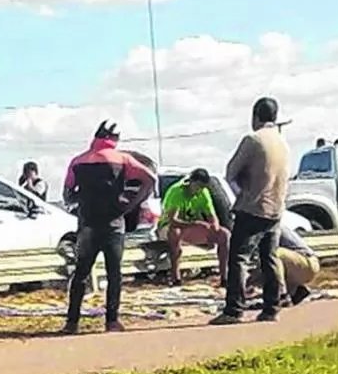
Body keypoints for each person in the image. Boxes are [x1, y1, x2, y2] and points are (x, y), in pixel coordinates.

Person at [61, 120, 157, 334]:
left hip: (87, 224)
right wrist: (132, 202)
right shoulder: (123, 159)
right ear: (115, 140)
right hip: (114, 223)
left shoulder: (77, 161)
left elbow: (67, 194)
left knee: (81, 273)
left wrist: (82, 199)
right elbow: (149, 178)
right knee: (114, 274)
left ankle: (72, 322)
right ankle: (112, 321)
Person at [212, 97, 290, 325]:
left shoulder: (253, 140)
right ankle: (271, 308)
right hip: (276, 208)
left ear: (255, 116)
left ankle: (234, 310)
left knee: (238, 258)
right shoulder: (283, 143)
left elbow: (231, 172)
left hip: (253, 207)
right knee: (270, 258)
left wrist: (242, 194)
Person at [156, 168, 230, 287]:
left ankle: (224, 277)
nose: (199, 190)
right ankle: (176, 277)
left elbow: (212, 216)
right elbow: (172, 220)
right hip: (169, 227)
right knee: (175, 232)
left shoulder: (203, 192)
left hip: (191, 228)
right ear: (191, 181)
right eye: (198, 186)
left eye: (202, 187)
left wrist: (214, 229)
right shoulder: (177, 192)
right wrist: (195, 224)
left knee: (224, 234)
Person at [245, 224, 320, 306]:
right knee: (267, 264)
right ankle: (296, 291)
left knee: (272, 254)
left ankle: (281, 295)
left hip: (308, 262)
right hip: (294, 266)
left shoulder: (270, 227)